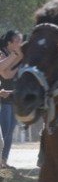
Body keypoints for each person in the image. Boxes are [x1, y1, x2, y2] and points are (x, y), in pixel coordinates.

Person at [0, 30, 24, 168]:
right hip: (3, 98)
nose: (20, 44)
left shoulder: (18, 54)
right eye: (17, 41)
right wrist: (17, 58)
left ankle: (4, 161)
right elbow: (6, 75)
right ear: (9, 43)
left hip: (13, 97)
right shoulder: (2, 53)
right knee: (4, 132)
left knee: (9, 133)